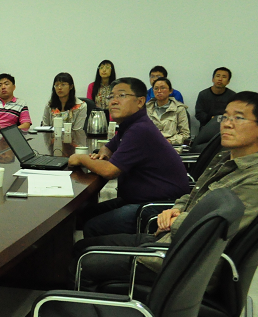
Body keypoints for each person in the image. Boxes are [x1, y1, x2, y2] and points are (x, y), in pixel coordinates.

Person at [73, 91, 258, 289]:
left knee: (85, 262)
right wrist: (176, 209)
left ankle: (92, 310)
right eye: (225, 117)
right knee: (82, 247)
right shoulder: (227, 159)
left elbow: (211, 231)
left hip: (180, 262)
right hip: (168, 241)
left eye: (238, 118)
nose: (227, 123)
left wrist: (176, 220)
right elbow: (194, 193)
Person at [68, 77, 190, 238]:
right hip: (139, 198)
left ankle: (93, 253)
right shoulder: (132, 125)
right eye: (111, 96)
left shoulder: (139, 130)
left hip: (157, 206)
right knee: (84, 214)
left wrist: (80, 158)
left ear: (140, 102)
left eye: (121, 96)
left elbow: (110, 171)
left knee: (93, 226)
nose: (113, 101)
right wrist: (104, 153)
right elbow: (108, 147)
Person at [145, 77, 190, 146]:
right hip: (149, 145)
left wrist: (170, 141)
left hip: (171, 146)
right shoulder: (146, 109)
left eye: (162, 88)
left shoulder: (179, 109)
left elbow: (185, 134)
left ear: (170, 91)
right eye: (156, 88)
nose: (159, 91)